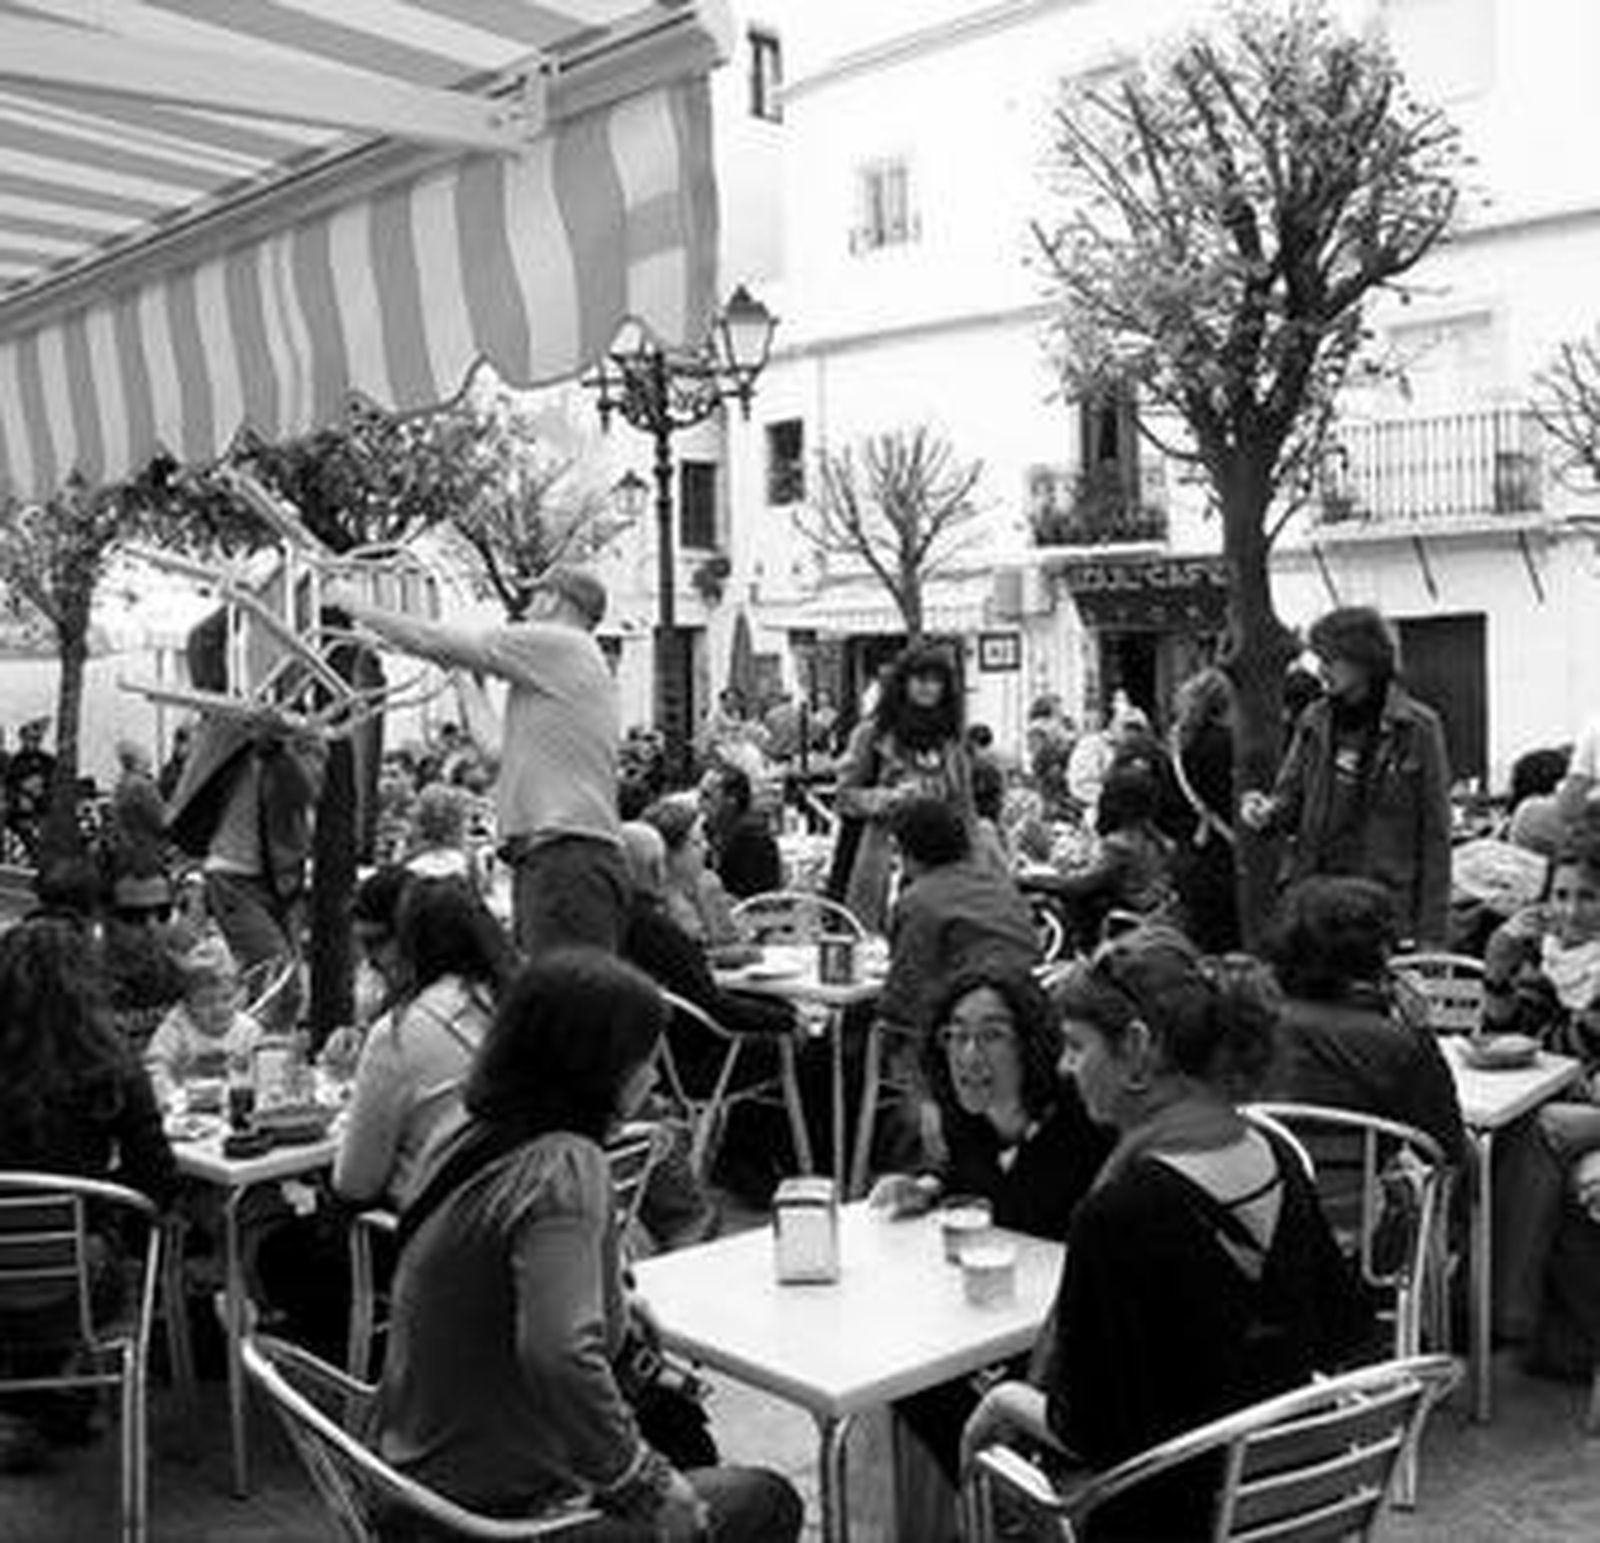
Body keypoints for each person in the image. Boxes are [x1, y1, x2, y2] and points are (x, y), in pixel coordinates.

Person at [375, 948, 804, 1542]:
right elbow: (560, 1354)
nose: (655, 1075)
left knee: (679, 1428)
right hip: (488, 1515)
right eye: (645, 1058)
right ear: (594, 1065)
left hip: (410, 1474)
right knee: (763, 1500)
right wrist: (646, 1485)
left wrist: (613, 1302)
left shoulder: (466, 1129)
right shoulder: (563, 1168)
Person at [960, 926, 1372, 1539]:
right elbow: (1344, 1326)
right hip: (1295, 1504)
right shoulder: (1274, 1155)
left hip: (1169, 1514)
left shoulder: (1120, 1213)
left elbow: (1091, 1431)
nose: (1066, 1068)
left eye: (1076, 1046)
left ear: (1137, 1048)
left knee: (972, 1425)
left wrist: (1004, 1401)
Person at [871, 962, 1112, 1540]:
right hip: (998, 1319)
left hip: (1074, 1340)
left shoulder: (1085, 1121)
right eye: (955, 1034)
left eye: (991, 1035)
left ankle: (1013, 1515)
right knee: (905, 1371)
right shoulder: (965, 1121)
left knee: (920, 1385)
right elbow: (964, 1171)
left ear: (1032, 1044)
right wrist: (928, 1185)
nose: (968, 1054)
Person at [331, 565, 628, 960]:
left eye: (535, 596)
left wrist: (356, 605)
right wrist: (461, 677)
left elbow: (431, 637)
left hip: (565, 861)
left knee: (563, 1005)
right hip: (562, 861)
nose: (525, 608)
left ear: (555, 599)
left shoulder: (560, 643)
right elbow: (496, 751)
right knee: (558, 999)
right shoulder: (566, 663)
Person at [0, 918, 177, 1470]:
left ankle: (36, 1397)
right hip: (79, 1283)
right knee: (110, 1244)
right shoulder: (113, 1067)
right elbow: (158, 1181)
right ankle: (61, 1389)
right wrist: (102, 1199)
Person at [1240, 605, 1452, 948]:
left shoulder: (1417, 728)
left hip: (1382, 910)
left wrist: (1431, 934)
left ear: (1364, 660)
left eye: (1330, 660)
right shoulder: (1314, 720)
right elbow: (1289, 797)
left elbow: (1436, 836)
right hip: (1315, 904)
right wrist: (1265, 811)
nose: (1321, 671)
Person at [1481, 821, 1600, 1353]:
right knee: (1496, 1137)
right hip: (1581, 1094)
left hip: (1582, 1100)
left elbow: (1570, 1044)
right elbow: (1507, 1032)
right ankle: (1505, 1309)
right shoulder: (1549, 954)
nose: (1571, 912)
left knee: (1539, 1129)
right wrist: (1497, 973)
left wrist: (1529, 1031)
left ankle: (1505, 1314)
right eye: (1561, 895)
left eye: (1589, 898)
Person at [335, 878, 515, 1210]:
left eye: (378, 943)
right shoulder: (523, 1000)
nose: (371, 960)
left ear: (410, 941)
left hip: (443, 1234)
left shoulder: (401, 1031)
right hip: (522, 1211)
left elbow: (355, 1184)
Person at [1261, 876, 1465, 1167]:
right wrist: (1421, 1031)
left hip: (1259, 1197)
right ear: (1380, 953)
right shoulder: (1396, 1044)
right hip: (1360, 1206)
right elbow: (1447, 1145)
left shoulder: (1249, 1020)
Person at [165, 694, 327, 1032]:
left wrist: (281, 747)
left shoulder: (300, 744)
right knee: (280, 982)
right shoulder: (227, 732)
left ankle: (261, 1055)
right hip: (231, 877)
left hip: (280, 880)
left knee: (281, 986)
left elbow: (307, 791)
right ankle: (253, 1056)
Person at [834, 642, 974, 932]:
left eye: (937, 681)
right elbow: (844, 797)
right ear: (903, 684)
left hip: (943, 864)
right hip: (884, 860)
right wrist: (889, 798)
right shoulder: (871, 735)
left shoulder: (951, 743)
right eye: (921, 679)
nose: (928, 687)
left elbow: (965, 807)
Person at [1167, 666, 1240, 954]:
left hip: (1188, 856)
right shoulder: (1228, 745)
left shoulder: (1179, 746)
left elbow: (1165, 809)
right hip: (1224, 858)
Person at [143, 935, 262, 1109]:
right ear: (187, 1004)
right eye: (205, 1002)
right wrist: (168, 1097)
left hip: (237, 1104)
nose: (218, 1008)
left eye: (227, 998)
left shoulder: (247, 1029)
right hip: (188, 1109)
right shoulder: (178, 1027)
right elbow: (156, 1065)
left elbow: (262, 1067)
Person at [640, 796, 738, 947]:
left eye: (705, 839)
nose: (706, 847)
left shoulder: (708, 882)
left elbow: (730, 941)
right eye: (697, 843)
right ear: (667, 853)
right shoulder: (656, 910)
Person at [698, 762, 781, 900]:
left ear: (731, 801)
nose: (699, 802)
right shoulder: (710, 830)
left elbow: (753, 902)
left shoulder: (753, 840)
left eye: (707, 796)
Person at [5, 717, 56, 866]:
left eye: (36, 739)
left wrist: (42, 797)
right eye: (29, 738)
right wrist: (19, 798)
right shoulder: (15, 762)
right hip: (19, 813)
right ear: (22, 739)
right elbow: (9, 787)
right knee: (26, 833)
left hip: (43, 812)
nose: (32, 742)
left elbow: (55, 787)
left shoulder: (49, 762)